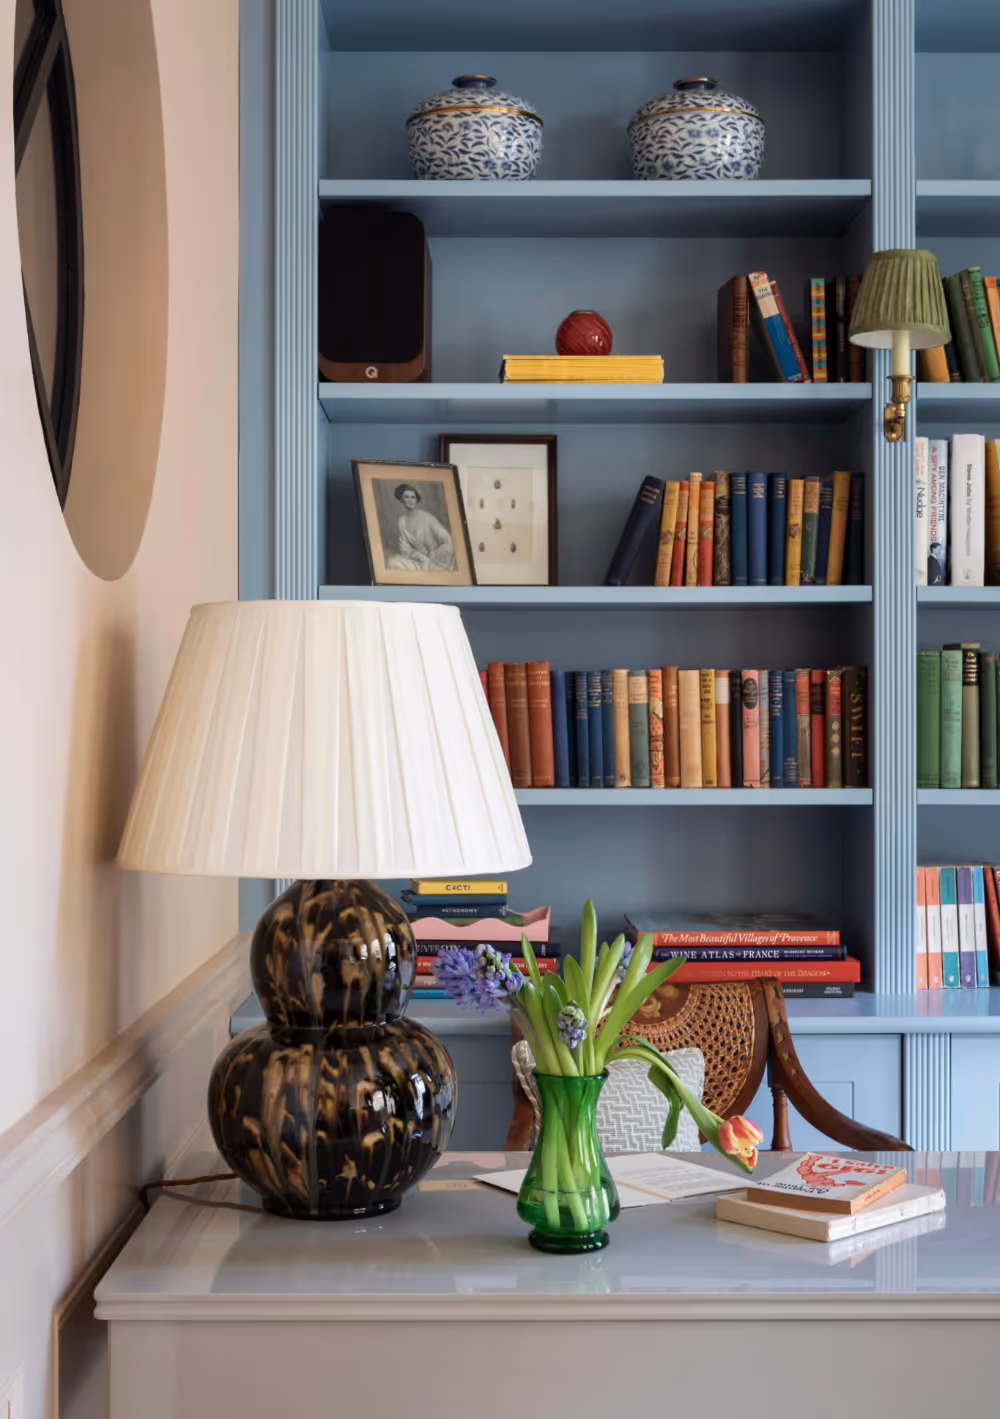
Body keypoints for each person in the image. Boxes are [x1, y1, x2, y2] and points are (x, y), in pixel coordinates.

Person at [385, 483, 456, 571]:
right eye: (406, 497)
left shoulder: (427, 518)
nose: (410, 501)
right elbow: (404, 547)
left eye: (413, 497)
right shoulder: (402, 521)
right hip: (416, 559)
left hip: (433, 561)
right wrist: (418, 556)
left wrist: (433, 555)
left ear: (417, 499)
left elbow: (449, 541)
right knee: (392, 562)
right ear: (401, 500)